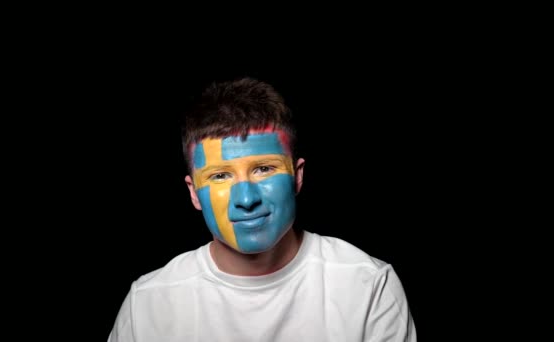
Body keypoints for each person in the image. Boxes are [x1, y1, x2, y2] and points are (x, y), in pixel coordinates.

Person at [108, 77, 417, 341]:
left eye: (264, 169)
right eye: (220, 176)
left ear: (297, 177)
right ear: (194, 193)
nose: (245, 199)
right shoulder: (149, 302)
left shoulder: (367, 285)